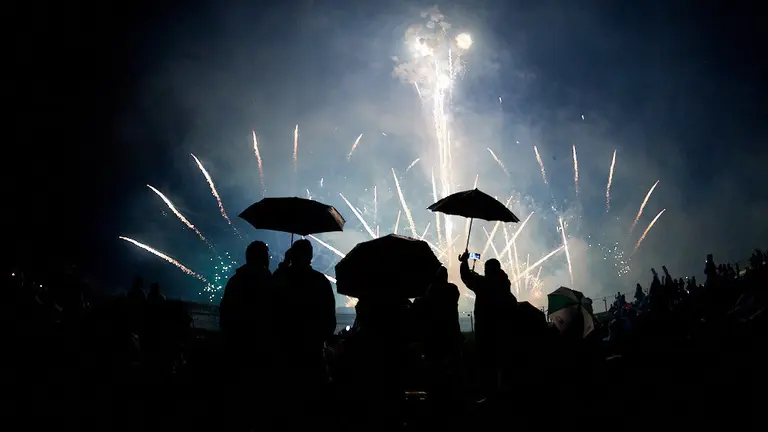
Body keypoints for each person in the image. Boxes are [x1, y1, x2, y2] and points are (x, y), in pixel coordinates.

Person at [272, 239, 336, 423]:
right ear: (311, 257)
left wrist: (284, 264)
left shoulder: (282, 278)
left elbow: (268, 299)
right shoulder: (320, 281)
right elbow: (330, 322)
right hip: (311, 354)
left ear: (292, 255)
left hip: (283, 353)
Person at [218, 240, 272, 431]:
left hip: (235, 350)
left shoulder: (235, 281)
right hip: (261, 353)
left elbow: (224, 315)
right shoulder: (268, 282)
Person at [458, 250, 514, 399]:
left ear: (488, 270)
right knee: (502, 364)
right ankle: (503, 396)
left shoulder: (485, 284)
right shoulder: (505, 285)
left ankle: (490, 398)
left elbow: (467, 276)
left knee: (487, 365)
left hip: (485, 331)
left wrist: (464, 261)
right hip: (503, 332)